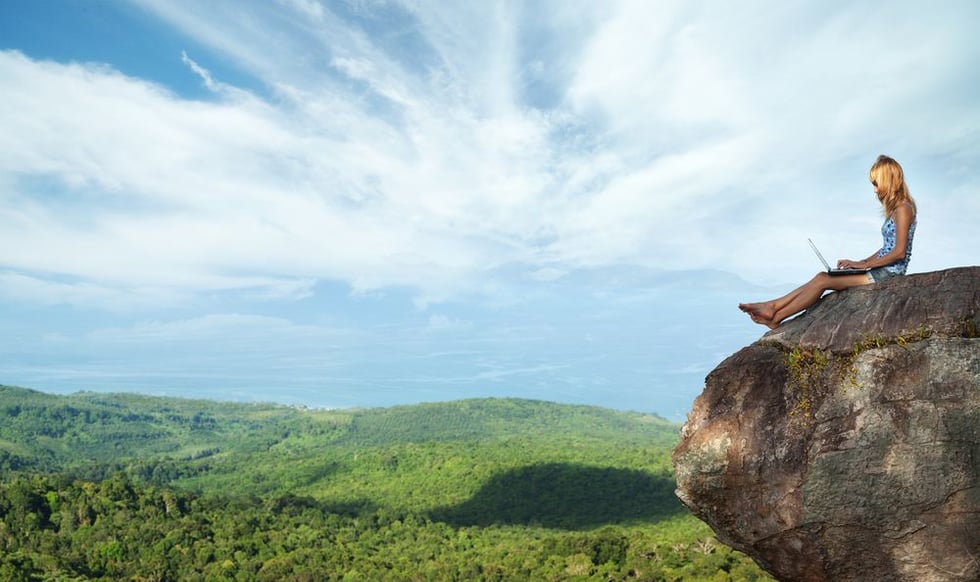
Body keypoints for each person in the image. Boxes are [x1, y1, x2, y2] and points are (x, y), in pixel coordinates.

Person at [739, 155, 917, 329]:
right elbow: (887, 248)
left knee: (823, 281)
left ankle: (775, 313)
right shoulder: (898, 209)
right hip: (880, 271)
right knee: (821, 277)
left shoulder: (904, 209)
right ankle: (773, 309)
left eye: (876, 184)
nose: (875, 190)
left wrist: (866, 264)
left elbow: (899, 252)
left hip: (888, 275)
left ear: (889, 180)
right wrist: (860, 263)